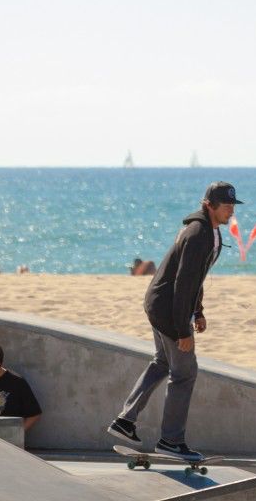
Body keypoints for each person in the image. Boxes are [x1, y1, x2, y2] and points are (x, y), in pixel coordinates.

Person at [107, 181, 237, 461]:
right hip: (168, 309)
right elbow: (182, 284)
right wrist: (183, 330)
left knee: (163, 362)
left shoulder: (209, 232)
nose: (230, 210)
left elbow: (195, 278)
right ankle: (171, 440)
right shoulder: (198, 233)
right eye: (225, 205)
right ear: (208, 205)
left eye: (232, 206)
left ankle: (125, 420)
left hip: (159, 304)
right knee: (185, 373)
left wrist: (198, 311)